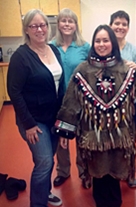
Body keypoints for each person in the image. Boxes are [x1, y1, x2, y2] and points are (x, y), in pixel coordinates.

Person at [53, 24, 136, 207]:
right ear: (93, 44)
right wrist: (64, 130)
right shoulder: (82, 70)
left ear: (112, 43)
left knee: (115, 176)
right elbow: (71, 101)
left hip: (120, 135)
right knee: (98, 177)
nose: (102, 44)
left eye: (106, 40)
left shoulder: (126, 69)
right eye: (98, 41)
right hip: (92, 136)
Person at [7, 9, 65, 207]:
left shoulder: (53, 50)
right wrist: (29, 124)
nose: (40, 29)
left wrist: (63, 118)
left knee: (49, 157)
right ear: (27, 29)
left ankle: (46, 191)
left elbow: (61, 84)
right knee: (45, 161)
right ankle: (38, 203)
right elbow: (14, 92)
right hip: (33, 119)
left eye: (43, 25)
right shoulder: (21, 57)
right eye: (34, 26)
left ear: (48, 28)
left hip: (53, 117)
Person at [51, 8, 91, 189]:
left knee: (83, 139)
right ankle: (63, 171)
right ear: (58, 24)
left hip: (81, 102)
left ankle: (84, 172)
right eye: (63, 20)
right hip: (59, 102)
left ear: (76, 25)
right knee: (62, 139)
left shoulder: (85, 47)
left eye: (71, 21)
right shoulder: (51, 46)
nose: (67, 24)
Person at [109, 10, 136, 188]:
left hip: (130, 105)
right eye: (117, 23)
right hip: (107, 106)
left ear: (128, 27)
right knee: (109, 139)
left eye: (124, 24)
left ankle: (130, 173)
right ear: (111, 26)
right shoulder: (105, 47)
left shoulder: (135, 50)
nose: (120, 27)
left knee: (129, 140)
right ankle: (111, 172)